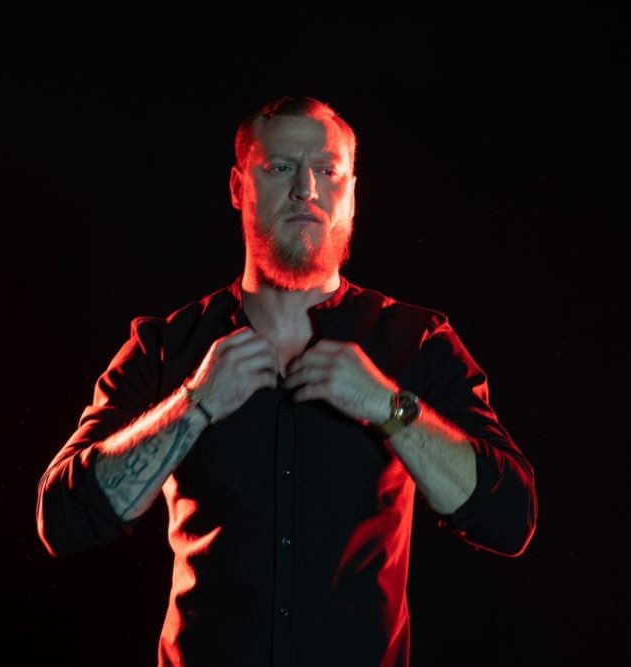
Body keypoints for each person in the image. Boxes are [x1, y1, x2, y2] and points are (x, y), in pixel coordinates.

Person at [35, 94, 538, 667]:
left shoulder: (416, 341)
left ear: (352, 192)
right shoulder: (166, 347)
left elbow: (509, 521)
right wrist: (193, 404)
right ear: (237, 187)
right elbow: (63, 521)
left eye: (327, 170)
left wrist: (389, 407)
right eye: (280, 167)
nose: (306, 189)